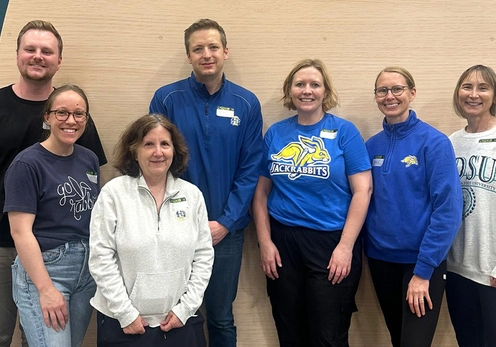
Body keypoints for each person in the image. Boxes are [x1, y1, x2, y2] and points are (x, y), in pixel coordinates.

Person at [149, 19, 263, 346]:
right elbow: (155, 163)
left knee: (221, 316)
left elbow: (250, 167)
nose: (206, 54)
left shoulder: (246, 103)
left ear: (225, 51)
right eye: (198, 49)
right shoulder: (166, 99)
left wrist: (225, 222)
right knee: (172, 313)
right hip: (175, 228)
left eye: (213, 47)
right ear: (188, 56)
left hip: (226, 232)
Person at [0, 20, 106, 347]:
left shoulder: (74, 118)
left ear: (58, 60)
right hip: (4, 245)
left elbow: (93, 189)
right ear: (17, 55)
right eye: (30, 49)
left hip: (66, 255)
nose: (38, 56)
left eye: (47, 51)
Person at [252, 59, 372, 346]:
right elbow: (259, 194)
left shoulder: (344, 132)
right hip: (283, 243)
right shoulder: (277, 134)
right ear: (290, 91)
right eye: (300, 84)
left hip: (331, 243)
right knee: (289, 331)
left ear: (325, 92)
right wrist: (265, 243)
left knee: (326, 335)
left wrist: (345, 247)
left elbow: (363, 191)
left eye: (314, 84)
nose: (307, 90)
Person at [89, 114, 214, 347]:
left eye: (165, 144)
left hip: (180, 321)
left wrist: (185, 309)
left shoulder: (192, 195)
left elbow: (204, 256)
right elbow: (100, 258)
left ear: (174, 150)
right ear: (134, 150)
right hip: (124, 323)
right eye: (149, 144)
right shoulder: (113, 194)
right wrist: (125, 313)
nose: (158, 152)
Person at [363, 66, 463, 347]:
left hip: (421, 263)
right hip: (381, 260)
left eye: (397, 89)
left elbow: (448, 211)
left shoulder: (434, 143)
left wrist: (423, 272)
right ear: (376, 96)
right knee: (398, 339)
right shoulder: (372, 146)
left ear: (412, 93)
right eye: (382, 90)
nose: (390, 96)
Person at [446, 64, 496, 347]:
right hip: (456, 269)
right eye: (467, 86)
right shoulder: (451, 143)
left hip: (491, 270)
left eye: (483, 87)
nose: (473, 94)